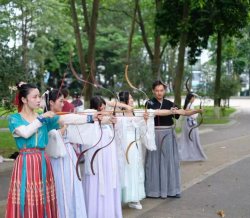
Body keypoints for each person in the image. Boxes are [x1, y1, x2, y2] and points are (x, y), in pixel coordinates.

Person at [6, 83, 99, 218]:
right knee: (26, 198)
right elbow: (25, 132)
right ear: (24, 100)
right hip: (26, 162)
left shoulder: (43, 117)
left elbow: (66, 118)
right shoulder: (15, 118)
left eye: (39, 96)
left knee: (43, 198)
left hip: (42, 160)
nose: (39, 100)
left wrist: (91, 118)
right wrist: (42, 118)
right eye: (35, 97)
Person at [145, 80, 202, 199]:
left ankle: (172, 190)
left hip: (168, 134)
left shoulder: (170, 103)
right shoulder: (149, 103)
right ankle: (153, 191)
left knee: (169, 161)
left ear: (164, 91)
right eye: (156, 91)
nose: (159, 93)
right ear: (153, 91)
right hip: (154, 134)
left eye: (161, 90)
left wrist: (196, 111)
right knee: (154, 162)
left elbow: (183, 112)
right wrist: (172, 111)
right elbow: (157, 113)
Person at [44, 89, 88, 218]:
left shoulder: (61, 115)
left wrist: (95, 118)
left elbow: (78, 119)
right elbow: (50, 138)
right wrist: (64, 127)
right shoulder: (48, 117)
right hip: (57, 157)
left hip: (68, 155)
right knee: (61, 187)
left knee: (72, 186)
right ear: (51, 102)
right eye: (61, 101)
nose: (63, 104)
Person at [83, 96, 123, 218]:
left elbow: (111, 127)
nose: (103, 110)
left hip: (108, 156)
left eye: (104, 107)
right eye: (101, 108)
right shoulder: (89, 116)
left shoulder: (106, 118)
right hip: (97, 156)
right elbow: (90, 119)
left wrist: (113, 122)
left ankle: (109, 211)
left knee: (108, 179)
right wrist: (103, 118)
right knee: (98, 179)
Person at [178, 93, 207, 161]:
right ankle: (193, 154)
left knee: (188, 138)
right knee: (192, 138)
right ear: (190, 98)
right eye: (193, 97)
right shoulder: (190, 105)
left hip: (187, 124)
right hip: (190, 124)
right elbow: (192, 115)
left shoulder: (188, 105)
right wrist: (198, 112)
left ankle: (190, 153)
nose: (194, 99)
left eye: (194, 97)